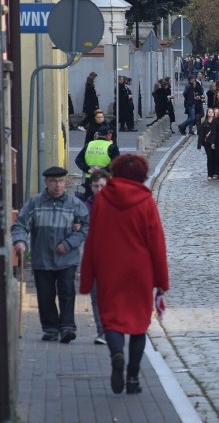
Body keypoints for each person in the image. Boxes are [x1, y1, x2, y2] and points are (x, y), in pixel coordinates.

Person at [80, 155, 169, 395]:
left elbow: (92, 241)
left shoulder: (102, 200)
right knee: (139, 324)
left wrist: (87, 279)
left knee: (112, 320)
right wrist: (161, 281)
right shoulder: (146, 201)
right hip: (140, 270)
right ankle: (132, 378)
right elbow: (157, 244)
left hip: (109, 268)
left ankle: (117, 354)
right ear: (142, 175)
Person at [12, 166, 89, 343]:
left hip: (67, 259)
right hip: (42, 258)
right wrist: (20, 241)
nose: (58, 185)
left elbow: (85, 227)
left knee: (67, 293)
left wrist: (69, 243)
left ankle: (67, 327)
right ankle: (51, 328)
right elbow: (20, 225)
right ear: (46, 182)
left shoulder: (75, 204)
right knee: (45, 295)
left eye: (61, 181)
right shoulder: (35, 203)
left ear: (65, 182)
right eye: (53, 181)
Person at [83, 169, 109, 345]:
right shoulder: (85, 207)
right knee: (96, 296)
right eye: (95, 186)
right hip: (93, 258)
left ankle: (112, 328)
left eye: (102, 186)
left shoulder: (116, 205)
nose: (98, 190)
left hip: (114, 259)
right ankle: (102, 331)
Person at [75, 125, 120, 199]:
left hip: (90, 179)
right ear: (109, 136)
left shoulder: (89, 145)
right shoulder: (112, 147)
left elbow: (78, 160)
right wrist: (103, 170)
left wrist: (88, 169)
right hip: (106, 180)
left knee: (90, 203)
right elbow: (117, 163)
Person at [198, 107, 217, 179]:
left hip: (214, 142)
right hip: (207, 143)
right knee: (209, 158)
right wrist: (199, 145)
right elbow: (201, 134)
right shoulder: (204, 123)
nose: (211, 113)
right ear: (207, 113)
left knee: (215, 157)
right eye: (209, 112)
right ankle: (210, 174)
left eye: (212, 112)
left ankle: (215, 172)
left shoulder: (215, 122)